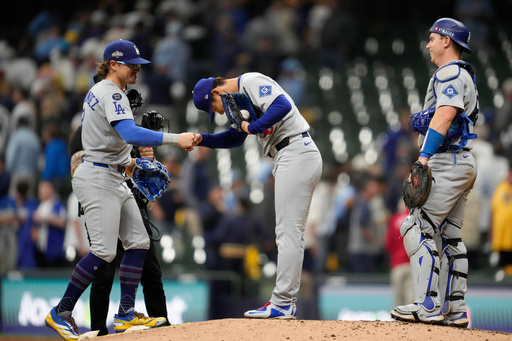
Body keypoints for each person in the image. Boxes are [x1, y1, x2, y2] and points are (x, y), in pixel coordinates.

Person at [45, 39, 196, 341]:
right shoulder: (109, 91)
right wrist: (176, 138)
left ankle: (126, 311)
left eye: (138, 65)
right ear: (112, 64)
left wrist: (129, 165)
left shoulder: (108, 92)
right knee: (103, 252)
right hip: (97, 177)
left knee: (138, 241)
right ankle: (61, 311)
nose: (136, 69)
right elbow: (127, 132)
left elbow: (108, 140)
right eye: (131, 64)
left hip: (111, 173)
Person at [192, 72, 323, 319]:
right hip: (291, 153)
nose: (219, 113)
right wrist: (203, 140)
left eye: (214, 108)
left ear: (216, 93)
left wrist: (253, 127)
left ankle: (283, 302)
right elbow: (235, 137)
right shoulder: (239, 101)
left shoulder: (250, 82)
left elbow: (282, 105)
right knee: (290, 232)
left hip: (295, 151)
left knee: (287, 232)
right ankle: (285, 301)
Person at [390, 18, 479, 328]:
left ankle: (427, 305)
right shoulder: (464, 74)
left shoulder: (450, 72)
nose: (428, 44)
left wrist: (423, 157)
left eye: (432, 38)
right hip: (463, 161)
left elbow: (444, 116)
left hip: (446, 161)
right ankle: (455, 311)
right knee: (450, 237)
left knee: (417, 226)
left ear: (446, 41)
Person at [490, 161, 512, 280]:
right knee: (503, 265)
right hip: (501, 237)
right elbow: (493, 211)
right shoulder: (500, 188)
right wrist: (491, 234)